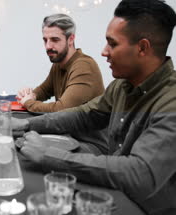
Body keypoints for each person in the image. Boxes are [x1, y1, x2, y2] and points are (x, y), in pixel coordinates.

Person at [12, 0, 176, 214]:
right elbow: (84, 115)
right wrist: (25, 126)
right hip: (113, 194)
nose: (104, 52)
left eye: (113, 44)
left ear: (142, 48)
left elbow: (138, 174)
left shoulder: (171, 102)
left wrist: (48, 155)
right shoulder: (121, 86)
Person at [16, 14, 104, 113]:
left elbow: (61, 110)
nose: (48, 46)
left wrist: (28, 102)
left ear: (70, 39)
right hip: (68, 128)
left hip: (88, 129)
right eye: (45, 40)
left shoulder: (84, 66)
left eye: (55, 40)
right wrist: (29, 94)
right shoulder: (59, 62)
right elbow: (44, 90)